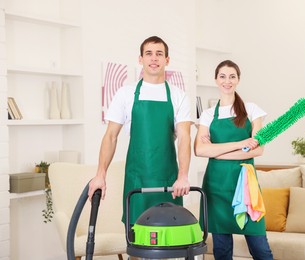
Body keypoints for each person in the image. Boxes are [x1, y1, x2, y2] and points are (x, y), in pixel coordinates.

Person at [88, 36, 192, 225]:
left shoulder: (178, 96)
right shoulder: (125, 94)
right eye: (149, 54)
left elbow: (185, 137)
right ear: (140, 59)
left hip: (169, 181)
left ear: (167, 60)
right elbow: (110, 137)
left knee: (170, 236)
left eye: (159, 54)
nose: (154, 58)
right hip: (137, 180)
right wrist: (100, 175)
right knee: (136, 237)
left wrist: (183, 176)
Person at [194, 60, 273, 260]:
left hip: (245, 184)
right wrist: (240, 144)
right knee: (221, 250)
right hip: (216, 186)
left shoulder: (252, 109)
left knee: (260, 249)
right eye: (222, 76)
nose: (227, 81)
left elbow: (258, 150)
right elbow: (200, 150)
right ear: (215, 80)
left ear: (238, 80)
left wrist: (217, 152)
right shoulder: (208, 114)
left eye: (232, 76)